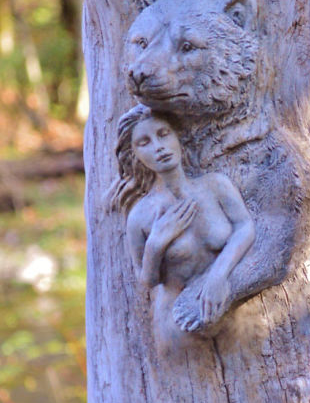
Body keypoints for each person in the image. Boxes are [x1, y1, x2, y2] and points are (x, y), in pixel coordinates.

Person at [109, 105, 255, 337]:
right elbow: (147, 280)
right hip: (176, 324)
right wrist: (156, 244)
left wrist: (218, 275)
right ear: (134, 154)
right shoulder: (141, 216)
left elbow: (244, 226)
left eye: (163, 134)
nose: (159, 147)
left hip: (234, 310)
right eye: (144, 143)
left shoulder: (215, 185)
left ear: (178, 136)